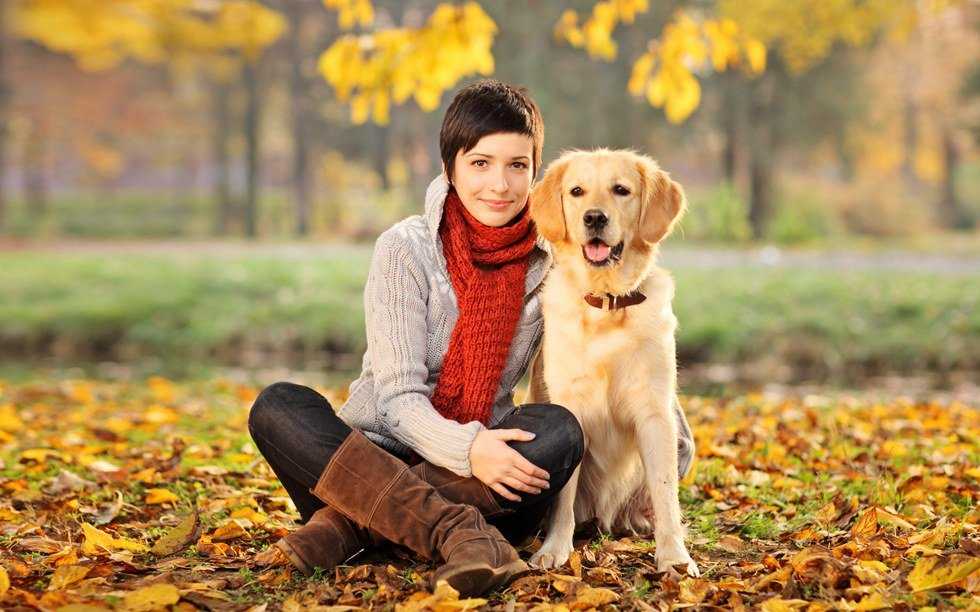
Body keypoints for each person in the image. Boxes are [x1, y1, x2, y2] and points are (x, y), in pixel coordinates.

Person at [247, 80, 586, 597]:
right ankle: (458, 533)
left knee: (559, 430)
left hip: (476, 479)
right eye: (481, 163)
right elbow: (397, 398)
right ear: (450, 167)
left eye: (517, 165)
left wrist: (668, 459)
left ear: (535, 171)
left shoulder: (552, 261)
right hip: (375, 455)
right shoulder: (405, 249)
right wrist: (466, 448)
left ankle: (345, 528)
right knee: (278, 408)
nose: (500, 184)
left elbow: (608, 351)